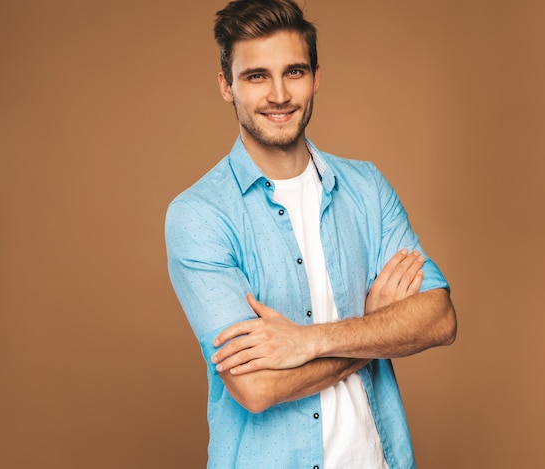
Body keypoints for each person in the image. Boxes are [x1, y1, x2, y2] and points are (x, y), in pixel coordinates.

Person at [165, 0, 457, 467]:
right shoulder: (199, 216)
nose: (279, 94)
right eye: (257, 76)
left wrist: (306, 341)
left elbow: (439, 318)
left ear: (316, 77)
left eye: (294, 72)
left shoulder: (367, 188)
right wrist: (373, 330)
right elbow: (256, 388)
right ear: (227, 86)